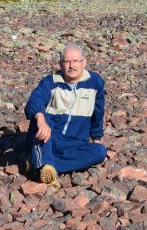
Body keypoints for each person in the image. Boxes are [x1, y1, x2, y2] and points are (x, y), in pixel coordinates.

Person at [24, 44, 108, 185]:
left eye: (75, 61)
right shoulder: (51, 82)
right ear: (61, 64)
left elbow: (98, 112)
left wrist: (96, 138)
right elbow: (35, 100)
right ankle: (44, 165)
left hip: (75, 141)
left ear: (84, 63)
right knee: (42, 121)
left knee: (99, 152)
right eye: (67, 61)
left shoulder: (94, 82)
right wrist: (40, 119)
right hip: (50, 138)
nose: (71, 66)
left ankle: (42, 164)